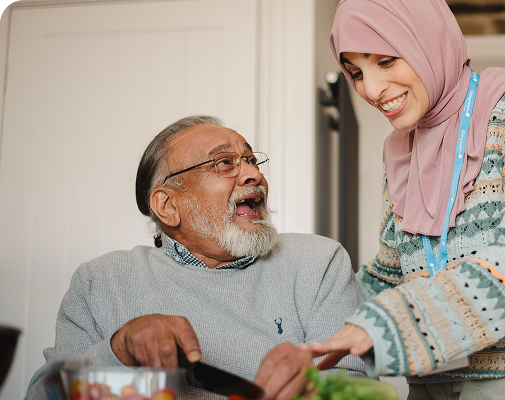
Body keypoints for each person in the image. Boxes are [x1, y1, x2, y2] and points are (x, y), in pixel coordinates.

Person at [302, 0, 505, 398]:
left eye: (387, 61)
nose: (371, 90)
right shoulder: (397, 149)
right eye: (356, 72)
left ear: (426, 40)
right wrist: (306, 327)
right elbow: (389, 276)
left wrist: (378, 326)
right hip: (432, 384)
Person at [24, 115, 366, 400]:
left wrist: (312, 388)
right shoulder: (100, 281)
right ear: (169, 206)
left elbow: (357, 389)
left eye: (250, 160)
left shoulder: (318, 262)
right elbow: (44, 396)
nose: (253, 175)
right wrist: (119, 351)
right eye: (224, 164)